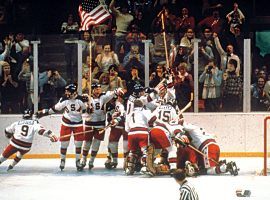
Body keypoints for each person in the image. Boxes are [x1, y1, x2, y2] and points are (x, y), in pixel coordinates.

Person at [37, 84, 88, 171]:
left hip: (78, 124)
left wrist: (88, 100)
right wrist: (43, 112)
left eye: (67, 91)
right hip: (66, 123)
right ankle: (62, 160)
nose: (66, 93)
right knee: (64, 143)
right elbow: (54, 109)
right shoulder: (64, 99)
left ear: (73, 93)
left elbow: (88, 110)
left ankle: (78, 161)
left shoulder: (81, 100)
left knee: (78, 144)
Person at [81, 83, 124, 170]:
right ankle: (84, 159)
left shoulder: (103, 97)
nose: (99, 90)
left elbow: (112, 93)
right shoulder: (86, 98)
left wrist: (117, 90)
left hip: (100, 124)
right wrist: (86, 109)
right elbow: (81, 110)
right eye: (97, 89)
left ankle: (91, 161)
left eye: (99, 89)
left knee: (96, 144)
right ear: (92, 90)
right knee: (87, 143)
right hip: (89, 124)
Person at [124, 99, 152, 175]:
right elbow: (152, 119)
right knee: (145, 151)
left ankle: (129, 168)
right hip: (142, 131)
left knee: (132, 152)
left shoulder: (129, 113)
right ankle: (145, 167)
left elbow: (126, 128)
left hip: (131, 133)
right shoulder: (144, 110)